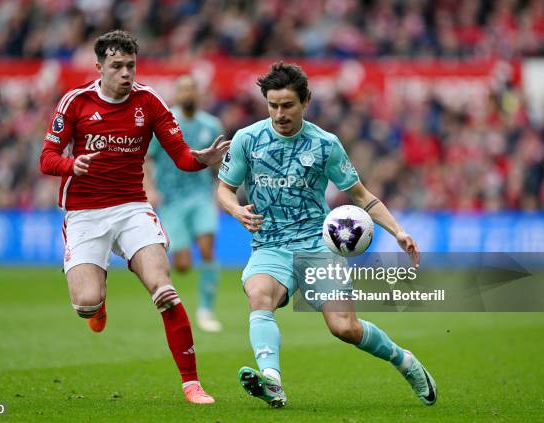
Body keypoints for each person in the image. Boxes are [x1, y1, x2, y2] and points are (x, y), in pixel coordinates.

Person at [217, 62, 437, 408]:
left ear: (305, 101)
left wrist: (398, 230)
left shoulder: (324, 144)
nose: (279, 113)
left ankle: (404, 361)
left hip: (317, 247)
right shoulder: (248, 139)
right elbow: (225, 189)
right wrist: (235, 209)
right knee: (259, 295)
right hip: (270, 245)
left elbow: (362, 196)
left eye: (287, 105)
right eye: (272, 105)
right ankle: (273, 381)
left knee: (344, 328)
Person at [39, 30, 229, 404]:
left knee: (165, 291)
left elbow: (181, 157)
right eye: (117, 66)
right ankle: (98, 302)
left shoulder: (150, 102)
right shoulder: (75, 102)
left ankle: (191, 383)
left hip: (132, 208)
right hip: (85, 213)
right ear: (100, 68)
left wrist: (203, 159)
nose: (126, 73)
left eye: (130, 66)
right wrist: (71, 164)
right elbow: (46, 158)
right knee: (86, 304)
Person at [146, 75, 224, 332]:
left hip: (201, 196)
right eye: (183, 90)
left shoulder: (211, 125)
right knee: (182, 265)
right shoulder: (166, 124)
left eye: (192, 89)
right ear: (176, 95)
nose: (188, 94)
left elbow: (222, 162)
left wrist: (222, 191)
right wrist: (150, 188)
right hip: (172, 200)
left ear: (198, 93)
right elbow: (147, 159)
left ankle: (206, 310)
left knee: (207, 250)